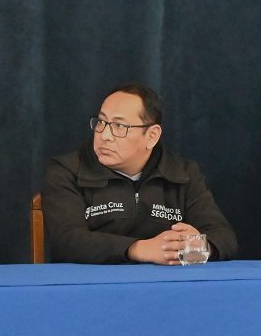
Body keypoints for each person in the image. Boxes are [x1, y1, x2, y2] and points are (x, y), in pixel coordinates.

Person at [42, 84, 237, 264]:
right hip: (92, 284)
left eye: (120, 126)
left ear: (151, 136)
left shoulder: (183, 173)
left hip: (165, 283)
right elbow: (66, 241)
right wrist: (138, 249)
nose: (104, 135)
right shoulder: (66, 171)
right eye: (101, 122)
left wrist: (200, 246)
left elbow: (224, 237)